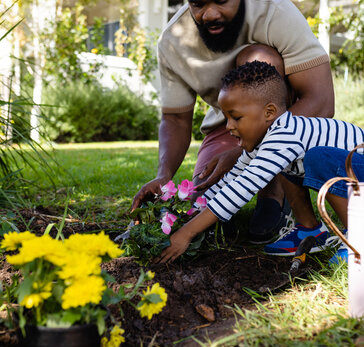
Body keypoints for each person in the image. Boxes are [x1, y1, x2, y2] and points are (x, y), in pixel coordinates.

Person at [157, 61, 364, 264]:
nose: (229, 127)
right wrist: (186, 214)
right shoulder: (268, 139)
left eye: (236, 118)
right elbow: (232, 180)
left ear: (269, 112)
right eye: (226, 118)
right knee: (289, 165)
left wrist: (187, 233)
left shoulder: (285, 135)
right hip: (363, 173)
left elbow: (241, 189)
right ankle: (310, 230)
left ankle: (361, 239)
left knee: (318, 157)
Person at [131, 0, 335, 243]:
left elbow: (320, 100)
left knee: (258, 57)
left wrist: (245, 154)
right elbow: (175, 119)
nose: (210, 14)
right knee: (201, 207)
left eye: (222, 0)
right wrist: (164, 175)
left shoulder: (275, 12)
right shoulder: (173, 41)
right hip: (228, 126)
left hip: (287, 122)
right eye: (198, 3)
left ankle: (275, 190)